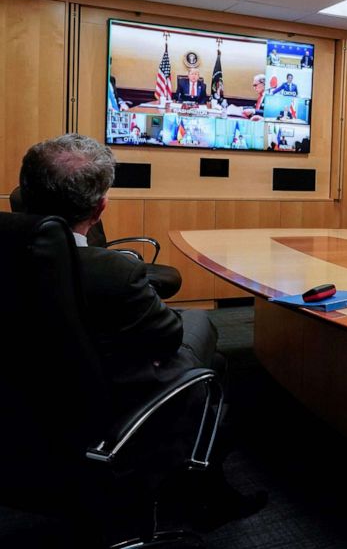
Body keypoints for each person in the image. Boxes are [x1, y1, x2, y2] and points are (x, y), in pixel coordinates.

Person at [18, 133, 266, 528]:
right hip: (98, 407)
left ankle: (203, 467)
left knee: (213, 363)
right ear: (100, 207)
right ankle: (204, 486)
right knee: (201, 335)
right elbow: (167, 337)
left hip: (23, 404)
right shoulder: (111, 272)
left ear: (24, 190)